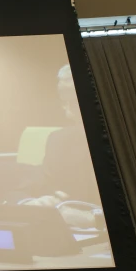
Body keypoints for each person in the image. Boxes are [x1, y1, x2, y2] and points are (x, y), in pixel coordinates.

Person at [20, 64, 103, 228]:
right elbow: (30, 187)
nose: (68, 112)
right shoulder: (58, 140)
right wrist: (35, 203)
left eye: (74, 102)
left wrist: (93, 220)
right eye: (64, 103)